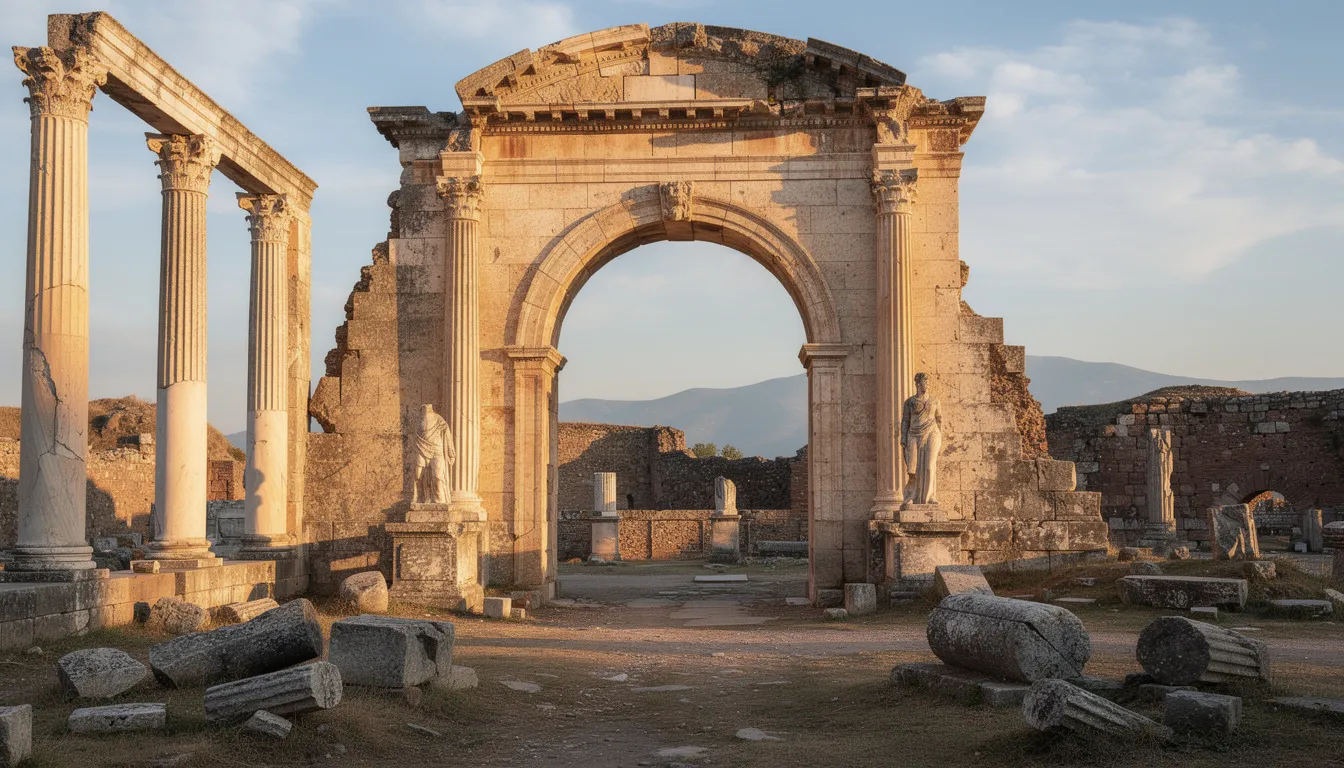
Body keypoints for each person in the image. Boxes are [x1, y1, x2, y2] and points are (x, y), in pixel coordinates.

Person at [901, 372, 942, 506]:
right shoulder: (910, 402)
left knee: (930, 466)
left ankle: (929, 497)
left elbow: (939, 419)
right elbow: (905, 421)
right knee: (912, 470)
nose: (927, 385)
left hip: (932, 432)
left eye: (928, 382)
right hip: (913, 434)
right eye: (925, 382)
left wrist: (939, 437)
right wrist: (903, 439)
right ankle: (911, 496)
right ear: (918, 384)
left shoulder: (935, 401)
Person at [412, 404, 455, 505]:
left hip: (437, 450)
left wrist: (450, 452)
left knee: (438, 476)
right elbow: (413, 435)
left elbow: (447, 436)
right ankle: (420, 498)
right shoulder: (417, 420)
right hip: (420, 448)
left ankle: (439, 500)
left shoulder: (439, 419)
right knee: (418, 475)